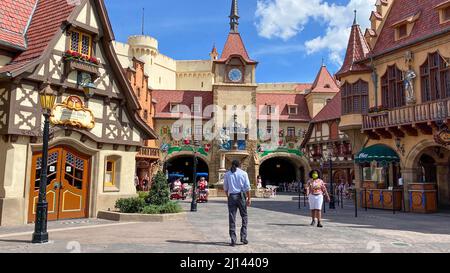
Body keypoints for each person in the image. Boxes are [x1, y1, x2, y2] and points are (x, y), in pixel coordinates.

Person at [224, 160, 251, 247]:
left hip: (232, 196)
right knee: (244, 216)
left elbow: (225, 188)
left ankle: (233, 239)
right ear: (240, 165)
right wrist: (249, 198)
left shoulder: (227, 174)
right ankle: (243, 237)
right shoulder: (243, 173)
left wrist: (228, 197)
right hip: (241, 196)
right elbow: (247, 187)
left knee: (232, 217)